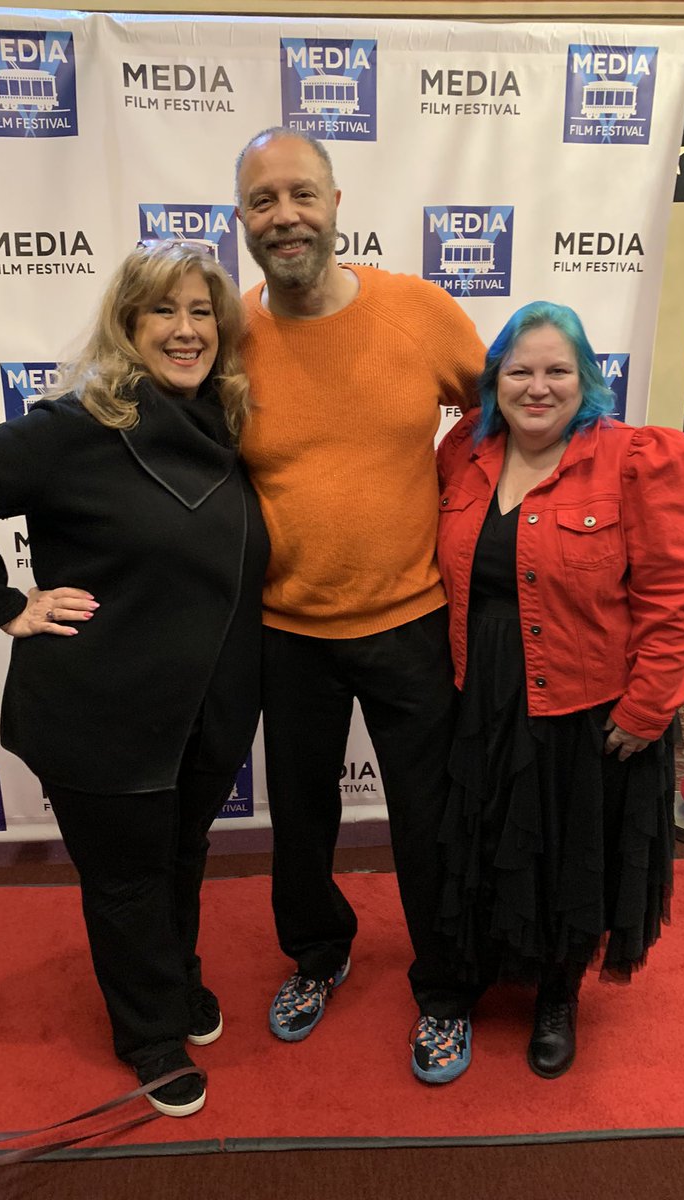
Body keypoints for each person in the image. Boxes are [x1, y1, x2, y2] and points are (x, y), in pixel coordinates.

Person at [0, 241, 269, 1117]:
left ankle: (174, 984)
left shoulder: (228, 422)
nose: (185, 330)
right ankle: (148, 1034)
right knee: (128, 878)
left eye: (201, 312)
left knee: (180, 854)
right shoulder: (75, 427)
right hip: (99, 707)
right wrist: (3, 604)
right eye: (163, 312)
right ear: (128, 325)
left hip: (203, 711)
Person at [234, 126, 487, 1084]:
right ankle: (319, 955)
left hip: (410, 620)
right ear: (244, 223)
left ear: (337, 205)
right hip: (283, 631)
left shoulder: (417, 310)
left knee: (431, 820)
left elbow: (502, 413)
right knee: (299, 821)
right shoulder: (226, 335)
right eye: (263, 201)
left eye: (301, 193)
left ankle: (448, 987)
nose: (285, 214)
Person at [434, 300, 684, 1079]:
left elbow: (676, 593)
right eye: (519, 370)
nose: (537, 387)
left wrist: (651, 702)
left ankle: (557, 995)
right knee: (484, 841)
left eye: (558, 370)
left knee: (568, 852)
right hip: (480, 691)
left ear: (586, 378)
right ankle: (480, 969)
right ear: (495, 380)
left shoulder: (639, 460)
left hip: (586, 703)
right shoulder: (466, 452)